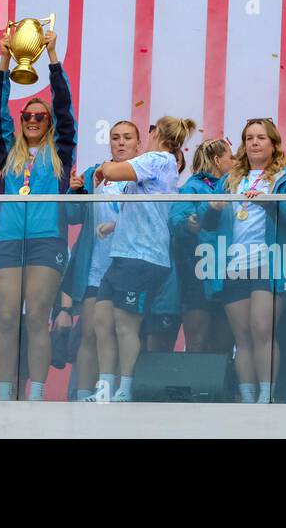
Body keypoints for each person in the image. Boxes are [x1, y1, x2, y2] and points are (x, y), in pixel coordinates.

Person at [0, 27, 77, 401]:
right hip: (8, 240)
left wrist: (53, 57)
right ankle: (8, 393)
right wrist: (6, 59)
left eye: (40, 116)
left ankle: (36, 395)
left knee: (37, 318)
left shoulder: (60, 154)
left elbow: (64, 108)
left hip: (46, 241)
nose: (35, 120)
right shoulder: (9, 153)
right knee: (7, 319)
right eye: (28, 116)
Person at [85, 116, 195, 402]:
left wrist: (103, 168)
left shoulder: (160, 159)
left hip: (144, 255)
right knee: (102, 320)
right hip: (122, 253)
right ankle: (104, 390)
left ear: (157, 133)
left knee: (125, 324)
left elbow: (113, 169)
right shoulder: (156, 162)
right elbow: (146, 208)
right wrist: (115, 225)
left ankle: (125, 388)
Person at [201, 118, 286, 403]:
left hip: (269, 260)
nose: (255, 143)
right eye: (249, 138)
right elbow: (209, 223)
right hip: (234, 262)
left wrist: (270, 204)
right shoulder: (229, 179)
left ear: (273, 144)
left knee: (262, 329)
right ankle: (247, 397)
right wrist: (212, 207)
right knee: (242, 336)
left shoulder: (282, 177)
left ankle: (266, 396)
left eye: (261, 138)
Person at [65, 121, 141, 400]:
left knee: (122, 332)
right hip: (96, 267)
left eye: (127, 138)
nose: (121, 143)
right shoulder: (95, 173)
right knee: (90, 332)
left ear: (138, 144)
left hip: (129, 263)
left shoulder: (142, 173)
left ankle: (120, 393)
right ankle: (86, 395)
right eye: (115, 138)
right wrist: (76, 192)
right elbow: (72, 216)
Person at [176, 139, 233, 356]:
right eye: (231, 156)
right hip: (198, 270)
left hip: (227, 270)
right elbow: (177, 220)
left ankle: (221, 389)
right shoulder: (193, 186)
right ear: (218, 161)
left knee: (224, 344)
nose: (236, 161)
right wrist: (188, 222)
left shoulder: (235, 186)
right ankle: (194, 388)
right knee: (198, 341)